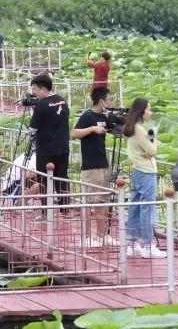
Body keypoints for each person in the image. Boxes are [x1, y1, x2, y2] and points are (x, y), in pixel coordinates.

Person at [123, 97, 165, 259]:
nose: (151, 111)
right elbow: (153, 150)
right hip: (146, 171)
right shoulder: (140, 129)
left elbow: (147, 150)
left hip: (137, 170)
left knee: (135, 206)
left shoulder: (133, 127)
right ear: (141, 111)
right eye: (149, 109)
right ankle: (147, 245)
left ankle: (131, 244)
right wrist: (153, 135)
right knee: (148, 207)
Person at [72, 87, 114, 247]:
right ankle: (86, 237)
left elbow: (114, 128)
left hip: (103, 163)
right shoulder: (88, 116)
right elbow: (74, 133)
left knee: (102, 201)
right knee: (89, 201)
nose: (109, 102)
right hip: (91, 165)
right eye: (108, 99)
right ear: (101, 100)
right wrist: (92, 129)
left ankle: (101, 235)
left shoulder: (103, 116)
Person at [27, 73, 70, 208]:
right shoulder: (62, 101)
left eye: (36, 89)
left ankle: (47, 210)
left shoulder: (42, 105)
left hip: (46, 150)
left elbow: (32, 129)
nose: (35, 93)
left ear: (43, 89)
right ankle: (65, 209)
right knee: (61, 177)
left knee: (44, 180)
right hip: (63, 147)